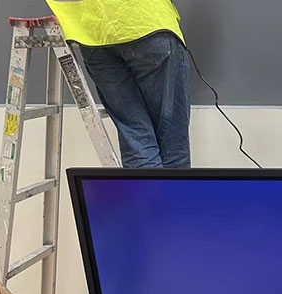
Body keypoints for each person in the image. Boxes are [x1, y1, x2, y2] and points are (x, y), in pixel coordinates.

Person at [46, 0, 191, 168]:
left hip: (91, 32)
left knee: (136, 137)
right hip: (146, 22)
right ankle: (173, 186)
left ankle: (146, 186)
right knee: (172, 139)